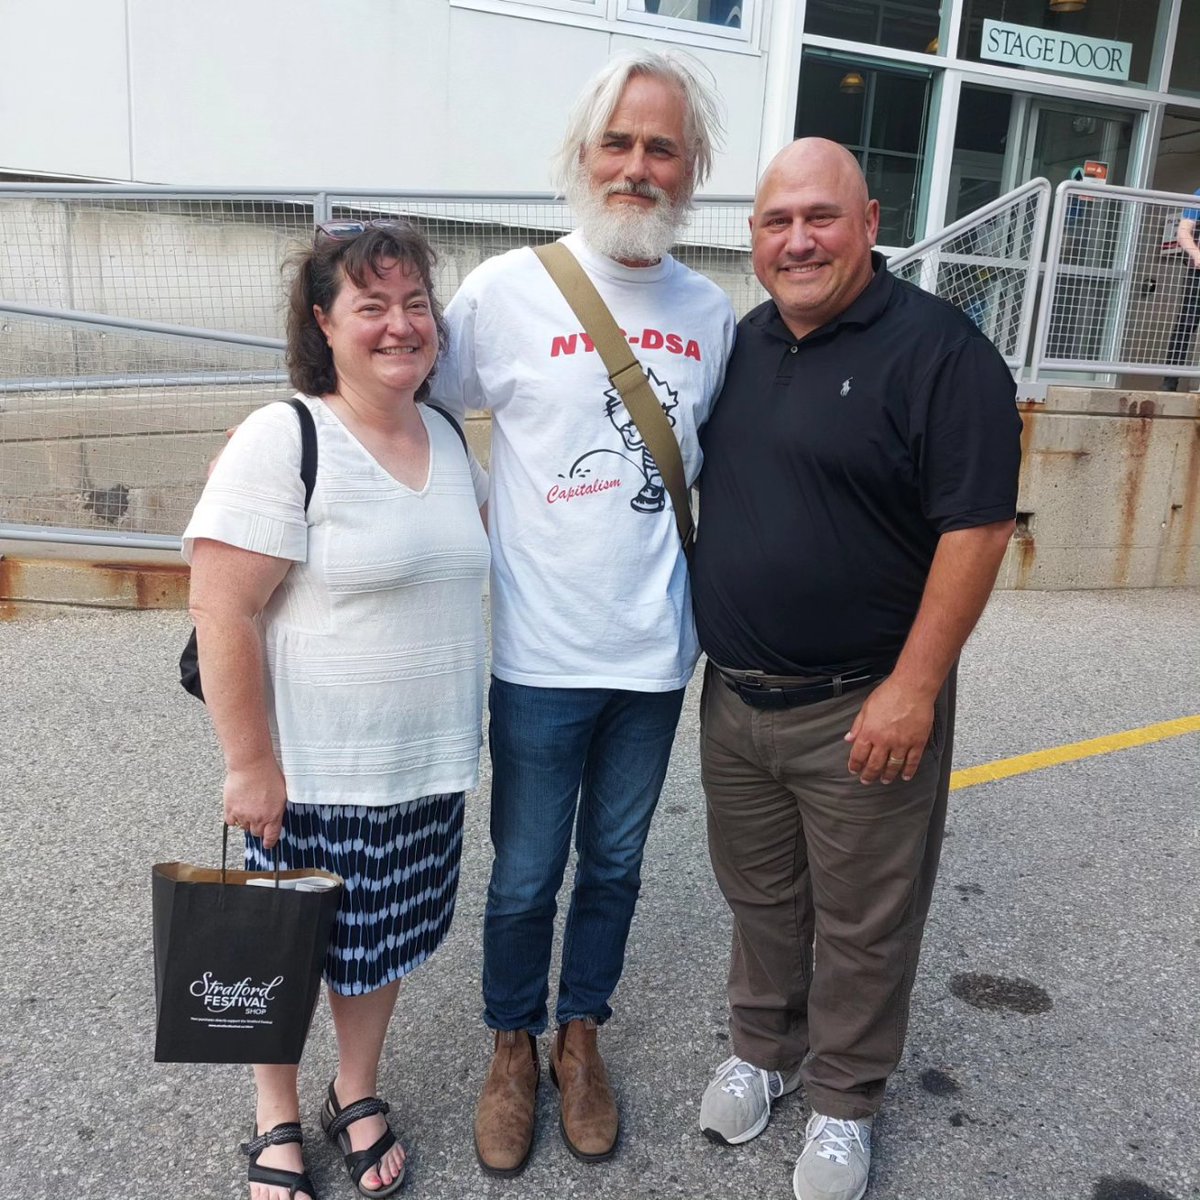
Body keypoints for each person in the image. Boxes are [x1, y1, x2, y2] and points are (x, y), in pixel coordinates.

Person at [691, 139, 1021, 1200]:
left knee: (867, 921)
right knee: (761, 898)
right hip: (736, 698)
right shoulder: (739, 347)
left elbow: (976, 529)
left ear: (871, 222)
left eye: (821, 217)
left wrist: (914, 688)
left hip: (865, 704)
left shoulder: (940, 352)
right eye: (777, 220)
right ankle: (762, 1051)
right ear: (753, 236)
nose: (798, 240)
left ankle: (844, 1102)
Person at [430, 50, 736, 1176]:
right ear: (582, 156)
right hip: (539, 659)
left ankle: (579, 1037)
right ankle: (508, 1046)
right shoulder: (506, 293)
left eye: (662, 147)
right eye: (620, 142)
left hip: (655, 660)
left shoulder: (711, 314)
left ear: (691, 168)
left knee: (613, 868)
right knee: (522, 874)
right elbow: (406, 403)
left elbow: (743, 475)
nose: (638, 166)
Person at [184, 221, 490, 1200]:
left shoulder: (445, 432)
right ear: (325, 322)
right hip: (312, 773)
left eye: (415, 304)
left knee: (382, 947)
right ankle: (275, 1112)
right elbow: (221, 603)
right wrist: (250, 764)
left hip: (424, 767)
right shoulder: (289, 436)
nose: (400, 325)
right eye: (372, 306)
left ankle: (354, 1091)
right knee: (280, 954)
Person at [1163, 189, 1200, 391]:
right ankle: (1170, 381)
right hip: (1199, 273)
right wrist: (1196, 253)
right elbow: (1183, 230)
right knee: (1187, 321)